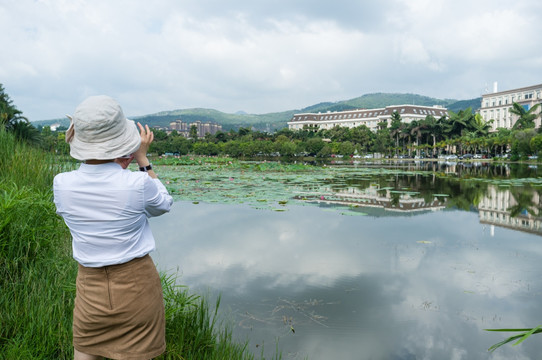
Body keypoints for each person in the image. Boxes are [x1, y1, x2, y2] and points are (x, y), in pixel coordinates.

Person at [53, 95, 173, 360]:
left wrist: (117, 163)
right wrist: (143, 160)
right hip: (137, 285)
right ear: (123, 143)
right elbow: (163, 204)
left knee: (84, 353)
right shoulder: (137, 184)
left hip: (90, 286)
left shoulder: (61, 183)